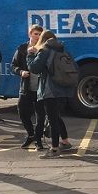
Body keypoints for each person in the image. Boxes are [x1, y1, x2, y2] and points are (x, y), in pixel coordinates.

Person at [27, 30, 74, 159]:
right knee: (56, 116)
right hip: (63, 88)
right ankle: (65, 141)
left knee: (53, 119)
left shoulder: (45, 51)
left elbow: (34, 68)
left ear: (42, 40)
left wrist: (30, 55)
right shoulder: (62, 50)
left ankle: (54, 149)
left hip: (50, 89)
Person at [12, 24, 46, 150]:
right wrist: (21, 72)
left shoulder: (43, 48)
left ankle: (38, 139)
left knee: (40, 115)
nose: (37, 36)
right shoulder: (22, 48)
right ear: (30, 34)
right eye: (35, 34)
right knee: (22, 111)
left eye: (40, 34)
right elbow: (13, 65)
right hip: (26, 87)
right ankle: (31, 134)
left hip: (40, 88)